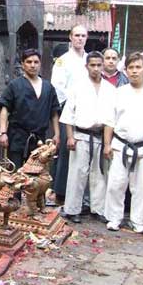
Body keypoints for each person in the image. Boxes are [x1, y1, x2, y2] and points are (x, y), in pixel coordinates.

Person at [60, 51, 115, 223]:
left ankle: (98, 208)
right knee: (78, 173)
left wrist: (107, 144)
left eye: (99, 65)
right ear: (86, 66)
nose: (96, 68)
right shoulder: (78, 87)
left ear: (103, 65)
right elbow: (69, 114)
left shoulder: (110, 89)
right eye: (93, 65)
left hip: (100, 136)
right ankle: (72, 209)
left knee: (99, 174)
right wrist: (70, 137)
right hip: (81, 136)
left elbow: (110, 119)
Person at [103, 52, 143, 233]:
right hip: (120, 144)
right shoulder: (119, 93)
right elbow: (109, 121)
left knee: (140, 187)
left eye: (138, 67)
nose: (134, 71)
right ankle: (114, 217)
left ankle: (138, 220)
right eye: (131, 67)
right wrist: (107, 144)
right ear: (126, 70)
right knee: (116, 184)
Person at [0, 48, 60, 170]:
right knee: (15, 175)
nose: (33, 65)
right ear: (23, 64)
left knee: (36, 177)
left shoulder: (48, 87)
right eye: (29, 62)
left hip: (39, 139)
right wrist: (3, 132)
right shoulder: (15, 85)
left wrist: (57, 134)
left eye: (36, 62)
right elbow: (5, 108)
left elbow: (54, 112)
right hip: (17, 137)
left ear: (40, 64)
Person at [50, 25, 89, 206]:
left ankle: (82, 195)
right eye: (76, 35)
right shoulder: (63, 61)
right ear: (70, 37)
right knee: (67, 149)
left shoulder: (91, 59)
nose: (80, 39)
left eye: (83, 36)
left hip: (89, 110)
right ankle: (61, 192)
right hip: (69, 109)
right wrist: (73, 102)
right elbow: (58, 87)